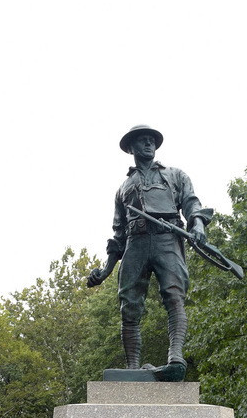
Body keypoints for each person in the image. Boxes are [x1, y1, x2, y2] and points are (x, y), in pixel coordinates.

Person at [87, 125, 211, 377]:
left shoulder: (175, 175)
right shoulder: (123, 188)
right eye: (142, 141)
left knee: (174, 296)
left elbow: (191, 202)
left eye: (152, 141)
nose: (149, 145)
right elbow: (118, 235)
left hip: (167, 238)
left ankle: (176, 357)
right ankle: (133, 367)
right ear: (131, 147)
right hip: (136, 243)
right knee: (129, 304)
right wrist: (105, 271)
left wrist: (197, 224)